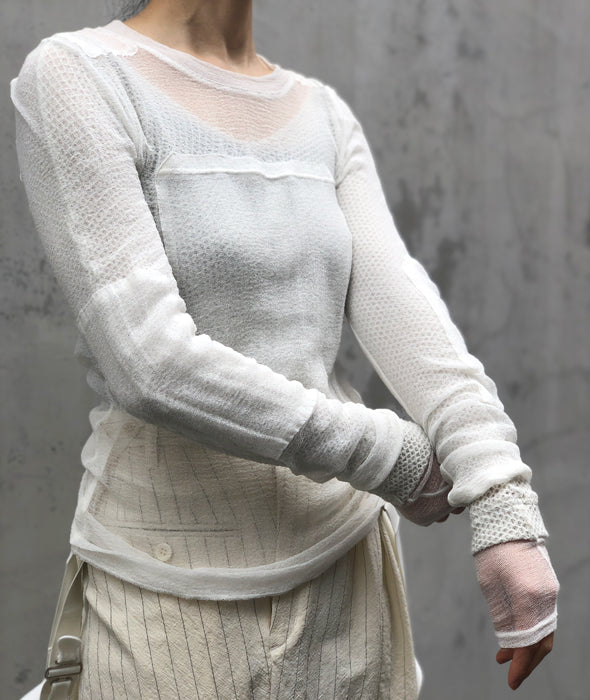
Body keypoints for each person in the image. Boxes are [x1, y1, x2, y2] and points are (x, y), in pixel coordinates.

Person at [10, 0, 559, 696]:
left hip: (349, 577)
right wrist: (392, 457)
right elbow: (149, 362)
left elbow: (406, 312)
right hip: (171, 585)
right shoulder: (79, 76)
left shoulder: (322, 113)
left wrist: (504, 500)